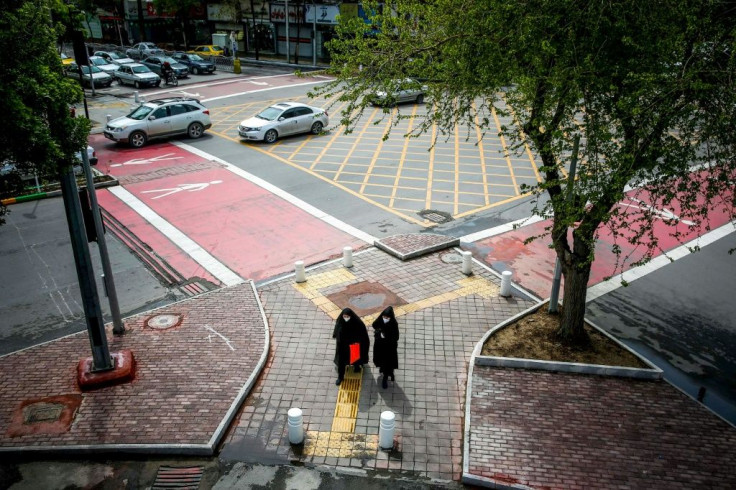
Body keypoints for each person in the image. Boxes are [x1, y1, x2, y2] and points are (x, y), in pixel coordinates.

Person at [333, 308, 370, 386]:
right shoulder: (340, 321)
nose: (346, 318)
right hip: (343, 346)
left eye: (347, 316)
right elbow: (337, 331)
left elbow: (362, 335)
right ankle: (340, 377)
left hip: (354, 345)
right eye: (344, 316)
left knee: (355, 358)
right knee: (341, 362)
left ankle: (356, 367)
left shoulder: (358, 323)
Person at [372, 306, 400, 389]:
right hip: (380, 346)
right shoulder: (380, 320)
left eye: (387, 317)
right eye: (384, 317)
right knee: (381, 361)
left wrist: (387, 336)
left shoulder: (394, 324)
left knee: (388, 364)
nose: (385, 319)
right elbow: (375, 325)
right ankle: (384, 370)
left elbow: (396, 337)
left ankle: (385, 377)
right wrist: (380, 333)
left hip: (389, 349)